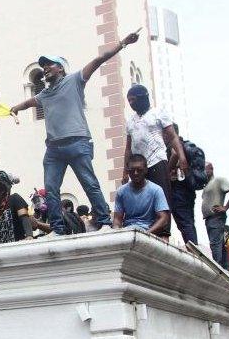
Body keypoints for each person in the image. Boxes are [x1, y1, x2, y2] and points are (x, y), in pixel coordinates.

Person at [9, 30, 142, 234]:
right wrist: (16, 108)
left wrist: (123, 43)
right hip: (54, 149)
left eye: (49, 65)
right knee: (51, 190)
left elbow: (99, 59)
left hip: (77, 142)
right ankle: (57, 229)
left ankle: (105, 222)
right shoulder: (44, 94)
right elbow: (29, 102)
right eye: (43, 67)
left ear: (60, 68)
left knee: (89, 183)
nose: (45, 69)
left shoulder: (75, 80)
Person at [124, 84, 187, 238]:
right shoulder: (131, 121)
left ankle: (164, 233)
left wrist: (182, 156)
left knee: (162, 197)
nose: (131, 104)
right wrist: (125, 171)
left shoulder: (159, 113)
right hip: (138, 165)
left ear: (142, 98)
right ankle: (147, 230)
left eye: (134, 100)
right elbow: (128, 148)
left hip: (157, 161)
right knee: (141, 198)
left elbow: (172, 137)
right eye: (129, 101)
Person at [113, 155, 171, 235]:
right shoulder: (121, 191)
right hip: (127, 232)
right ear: (128, 171)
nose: (135, 173)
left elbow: (164, 218)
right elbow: (117, 219)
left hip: (149, 232)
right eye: (132, 170)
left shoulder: (156, 190)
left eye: (139, 170)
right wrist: (116, 233)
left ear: (146, 170)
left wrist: (147, 234)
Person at [202, 162, 229, 268]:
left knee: (215, 243)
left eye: (205, 169)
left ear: (211, 169)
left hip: (216, 217)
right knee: (220, 244)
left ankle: (217, 267)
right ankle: (225, 268)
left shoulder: (218, 180)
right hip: (209, 219)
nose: (203, 172)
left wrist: (225, 207)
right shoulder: (206, 185)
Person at [169, 124, 200, 244]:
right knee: (189, 222)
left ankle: (193, 250)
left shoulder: (175, 144)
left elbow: (175, 154)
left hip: (178, 191)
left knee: (184, 223)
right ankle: (194, 247)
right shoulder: (186, 144)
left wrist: (167, 171)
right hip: (188, 189)